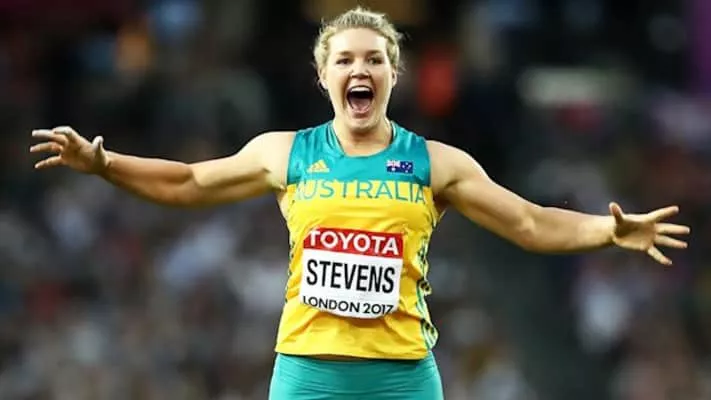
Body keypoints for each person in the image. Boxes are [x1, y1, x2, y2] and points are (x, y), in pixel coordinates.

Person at [29, 6, 690, 400]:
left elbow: (528, 222)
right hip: (307, 375)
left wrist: (608, 232)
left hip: (401, 378)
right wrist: (104, 164)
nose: (359, 70)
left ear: (393, 74)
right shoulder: (285, 152)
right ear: (324, 76)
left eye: (374, 59)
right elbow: (189, 183)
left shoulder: (436, 163)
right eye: (344, 60)